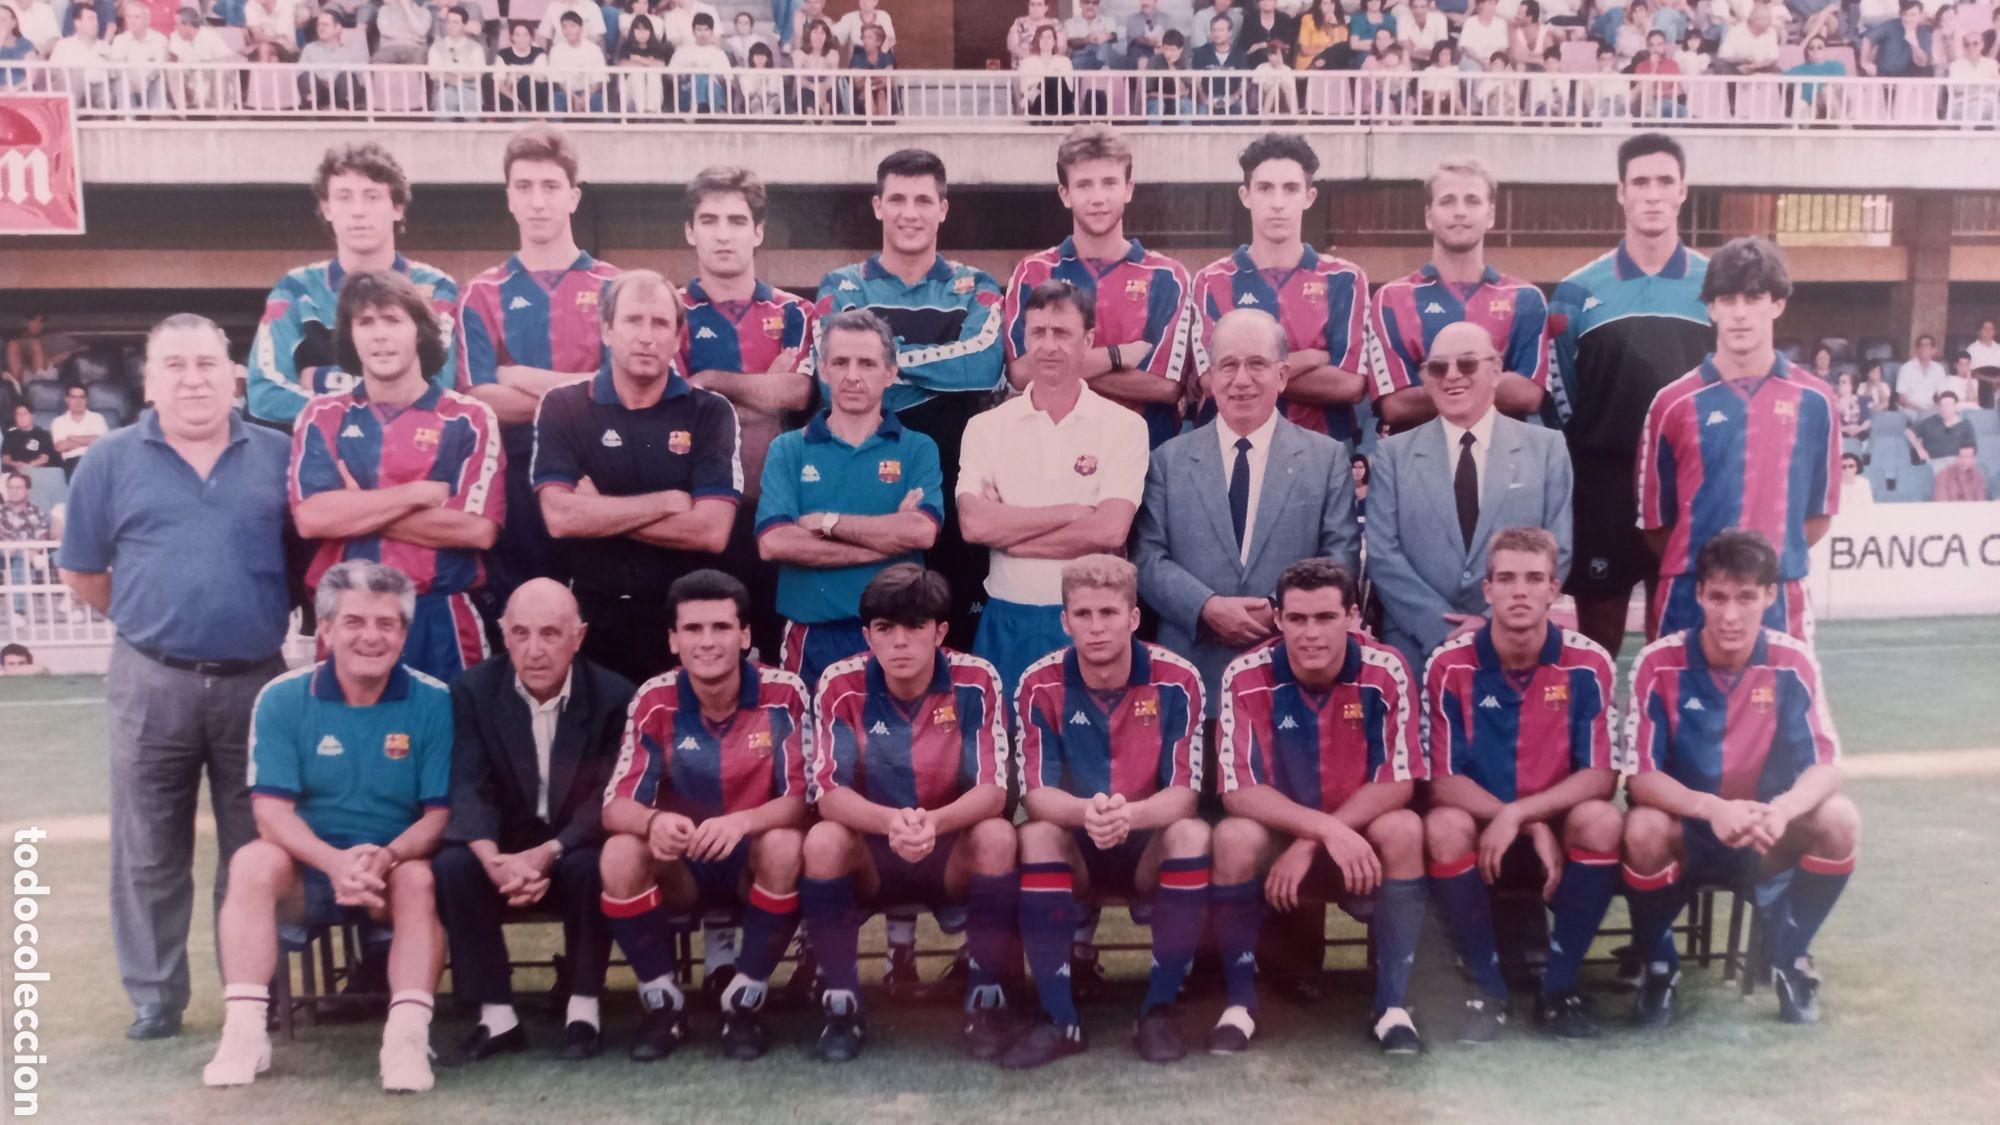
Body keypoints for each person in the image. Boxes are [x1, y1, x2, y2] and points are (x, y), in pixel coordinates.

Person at [59, 314, 292, 1044]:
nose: (193, 379)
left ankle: (252, 995)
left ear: (234, 376)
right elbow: (83, 572)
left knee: (256, 844)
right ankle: (156, 996)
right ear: (150, 382)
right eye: (175, 366)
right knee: (148, 847)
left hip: (257, 681)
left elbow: (302, 563)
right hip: (149, 679)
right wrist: (153, 625)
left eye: (206, 364)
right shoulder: (109, 460)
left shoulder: (280, 454)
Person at [199, 560, 451, 1092]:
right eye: (354, 621)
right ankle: (245, 1033)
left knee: (420, 878)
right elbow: (270, 813)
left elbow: (439, 815)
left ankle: (405, 1038)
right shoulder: (283, 697)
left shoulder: (435, 700)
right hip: (309, 870)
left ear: (404, 635)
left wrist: (381, 859)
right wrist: (334, 863)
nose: (371, 636)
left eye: (386, 624)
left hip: (390, 870)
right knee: (251, 861)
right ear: (327, 629)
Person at [1621, 529, 1858, 1028]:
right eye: (1720, 597)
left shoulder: (1792, 662)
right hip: (1689, 830)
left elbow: (1825, 764)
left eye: (1747, 598)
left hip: (1762, 834)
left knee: (1839, 819)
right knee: (1640, 827)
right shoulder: (1658, 663)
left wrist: (1783, 810)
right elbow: (1640, 776)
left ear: (1770, 596)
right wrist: (1712, 808)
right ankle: (1659, 964)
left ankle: (1790, 957)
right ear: (1700, 594)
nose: (1731, 615)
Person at [1209, 558, 1428, 1054]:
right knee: (1232, 834)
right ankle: (1239, 1005)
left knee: (1404, 827)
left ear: (1352, 617)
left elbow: (1397, 783)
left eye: (1325, 618)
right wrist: (1319, 833)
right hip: (1282, 839)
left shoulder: (1385, 668)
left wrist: (1318, 838)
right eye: (1298, 619)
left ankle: (1393, 1006)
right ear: (1278, 619)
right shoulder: (1245, 674)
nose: (1311, 633)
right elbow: (1238, 790)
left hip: (1356, 836)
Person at [999, 554, 1209, 1068]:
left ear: (1134, 618)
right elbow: (1036, 794)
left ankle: (1158, 1011)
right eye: (1084, 614)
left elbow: (1184, 793)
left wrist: (1128, 817)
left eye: (1110, 613)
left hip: (1146, 844)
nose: (1097, 627)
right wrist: (1088, 814)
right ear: (1064, 620)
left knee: (1193, 835)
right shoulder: (1037, 682)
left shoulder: (1178, 678)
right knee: (1035, 836)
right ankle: (1058, 1017)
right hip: (1077, 841)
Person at [801, 564, 1017, 1063]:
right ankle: (841, 1005)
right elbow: (829, 793)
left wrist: (933, 824)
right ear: (867, 635)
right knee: (823, 840)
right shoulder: (839, 681)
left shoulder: (977, 678)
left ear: (941, 631)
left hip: (948, 853)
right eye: (885, 628)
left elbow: (993, 788)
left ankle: (985, 1000)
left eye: (915, 626)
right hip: (875, 854)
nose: (900, 642)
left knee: (998, 836)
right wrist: (891, 823)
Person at [596, 569, 812, 1061]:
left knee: (786, 842)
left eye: (720, 627)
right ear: (673, 640)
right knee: (620, 852)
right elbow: (616, 805)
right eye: (693, 629)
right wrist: (653, 823)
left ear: (746, 635)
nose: (707, 642)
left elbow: (802, 799)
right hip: (685, 865)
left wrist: (741, 822)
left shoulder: (785, 693)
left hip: (750, 859)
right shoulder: (655, 698)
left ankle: (745, 1000)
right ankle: (662, 1003)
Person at [1419, 527, 1623, 1040]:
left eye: (1534, 579)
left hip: (1560, 830)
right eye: (1506, 579)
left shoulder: (1589, 661)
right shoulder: (1448, 664)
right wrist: (1517, 820)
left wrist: (1525, 816)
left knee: (1601, 819)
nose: (1520, 591)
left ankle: (1559, 989)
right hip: (1484, 828)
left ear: (1554, 589)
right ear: (1486, 590)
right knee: (1443, 825)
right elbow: (1442, 782)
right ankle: (1485, 990)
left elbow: (1600, 775)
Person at [809, 149, 1006, 648]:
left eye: (923, 199)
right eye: (897, 198)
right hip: (866, 473)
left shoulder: (975, 285)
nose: (910, 212)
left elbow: (981, 367)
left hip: (953, 474)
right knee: (873, 630)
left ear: (943, 208)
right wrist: (938, 363)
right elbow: (833, 377)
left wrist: (882, 361)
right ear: (878, 206)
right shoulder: (842, 285)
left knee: (951, 633)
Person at [432, 579, 632, 1065]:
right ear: (504, 634)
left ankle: (583, 1010)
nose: (534, 650)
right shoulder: (472, 691)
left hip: (572, 845)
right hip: (502, 846)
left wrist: (549, 853)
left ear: (578, 636)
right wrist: (494, 859)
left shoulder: (613, 695)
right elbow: (466, 784)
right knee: (454, 866)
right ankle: (496, 1017)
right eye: (520, 633)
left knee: (593, 865)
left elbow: (607, 795)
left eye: (549, 634)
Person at [1135, 308, 1361, 704]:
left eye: (1257, 364)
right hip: (1190, 676)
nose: (1241, 380)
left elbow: (1340, 557)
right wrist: (1206, 607)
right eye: (1228, 365)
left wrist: (1278, 609)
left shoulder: (1326, 459)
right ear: (1209, 377)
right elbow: (1148, 557)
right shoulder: (1167, 461)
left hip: (1292, 672)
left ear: (1282, 375)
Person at [290, 270, 503, 684]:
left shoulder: (468, 418)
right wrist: (417, 494)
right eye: (365, 323)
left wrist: (356, 506)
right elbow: (312, 519)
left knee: (447, 746)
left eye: (392, 320)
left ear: (419, 332)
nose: (379, 336)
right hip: (347, 617)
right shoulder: (322, 415)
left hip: (439, 617)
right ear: (350, 337)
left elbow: (477, 530)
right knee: (349, 746)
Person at [532, 270, 740, 685]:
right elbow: (561, 519)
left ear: (679, 335)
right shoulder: (562, 406)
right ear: (607, 330)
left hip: (679, 622)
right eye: (633, 320)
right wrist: (666, 502)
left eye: (660, 322)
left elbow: (711, 531)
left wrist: (597, 509)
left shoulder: (711, 411)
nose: (647, 336)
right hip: (591, 615)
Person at [1549, 134, 1712, 658]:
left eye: (1665, 181)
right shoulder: (1576, 291)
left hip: (1690, 491)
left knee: (1681, 654)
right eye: (1640, 182)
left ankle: (1662, 744)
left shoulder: (1717, 284)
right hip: (1603, 493)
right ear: (1621, 192)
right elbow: (1562, 400)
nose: (1653, 194)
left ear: (1683, 191)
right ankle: (1598, 741)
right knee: (1596, 654)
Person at [1639, 237, 1838, 642]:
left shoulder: (1816, 400)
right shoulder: (1672, 404)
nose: (1740, 314)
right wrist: (1713, 575)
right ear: (1711, 308)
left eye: (1754, 298)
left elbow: (1816, 518)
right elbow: (1658, 526)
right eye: (1727, 300)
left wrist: (1759, 572)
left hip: (1778, 596)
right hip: (1689, 597)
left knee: (1782, 708)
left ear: (1778, 304)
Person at [457, 125, 621, 609]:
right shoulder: (481, 292)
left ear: (573, 196)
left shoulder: (616, 286)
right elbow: (479, 401)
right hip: (515, 481)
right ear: (508, 197)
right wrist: (583, 391)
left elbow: (622, 396)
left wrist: (520, 377)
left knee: (598, 620)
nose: (538, 202)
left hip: (599, 474)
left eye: (550, 187)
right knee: (523, 624)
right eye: (524, 188)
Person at [961, 281, 1148, 696]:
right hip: (1006, 618)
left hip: (1089, 626)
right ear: (1024, 337)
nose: (1048, 346)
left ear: (1088, 340)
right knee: (1006, 753)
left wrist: (1010, 538)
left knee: (1088, 755)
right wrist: (1072, 512)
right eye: (1038, 332)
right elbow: (974, 526)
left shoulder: (1125, 426)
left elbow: (1109, 532)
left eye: (1061, 333)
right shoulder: (986, 427)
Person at [1365, 321, 1574, 672]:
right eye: (1438, 367)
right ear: (1425, 377)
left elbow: (1558, 548)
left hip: (1514, 640)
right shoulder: (1392, 455)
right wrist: (1439, 628)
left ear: (1495, 371)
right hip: (1416, 643)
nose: (1452, 376)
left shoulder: (1546, 448)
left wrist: (1493, 621)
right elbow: (1383, 554)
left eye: (1466, 364)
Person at [757, 309, 942, 697]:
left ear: (890, 372)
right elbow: (776, 542)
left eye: (867, 363)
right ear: (822, 369)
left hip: (896, 635)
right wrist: (889, 544)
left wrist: (825, 522)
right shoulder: (788, 449)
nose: (853, 375)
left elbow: (921, 533)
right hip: (812, 634)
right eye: (840, 362)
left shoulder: (918, 447)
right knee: (815, 751)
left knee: (892, 752)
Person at [680, 166, 815, 655]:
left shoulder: (796, 312)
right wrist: (763, 389)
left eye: (737, 221)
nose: (723, 234)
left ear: (757, 232)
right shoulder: (670, 311)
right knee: (708, 655)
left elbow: (798, 394)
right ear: (690, 231)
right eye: (710, 220)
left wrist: (712, 382)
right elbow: (676, 408)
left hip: (777, 509)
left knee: (777, 658)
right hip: (697, 513)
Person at [1006, 125, 1193, 450]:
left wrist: (1055, 368)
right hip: (1051, 458)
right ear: (1065, 194)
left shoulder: (1169, 276)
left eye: (1109, 183)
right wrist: (1117, 355)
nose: (1098, 198)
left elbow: (1165, 387)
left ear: (1128, 189)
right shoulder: (1032, 272)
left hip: (1143, 464)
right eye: (1084, 185)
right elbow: (1022, 374)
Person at [249, 143, 459, 429]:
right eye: (344, 197)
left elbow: (438, 388)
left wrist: (321, 379)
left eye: (372, 196)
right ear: (327, 209)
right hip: (320, 461)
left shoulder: (436, 287)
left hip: (412, 454)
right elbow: (264, 394)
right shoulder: (295, 290)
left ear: (397, 208)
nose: (358, 211)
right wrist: (373, 401)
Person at [1192, 134, 1370, 445]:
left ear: (1309, 196)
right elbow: (1209, 380)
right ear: (1245, 196)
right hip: (1234, 454)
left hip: (1320, 455)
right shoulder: (1212, 280)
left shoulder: (1345, 279)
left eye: (1290, 189)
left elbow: (1350, 385)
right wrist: (1313, 358)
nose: (1278, 203)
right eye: (1265, 188)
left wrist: (1245, 371)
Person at [1367, 157, 1550, 432]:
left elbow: (1528, 395)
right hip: (1419, 465)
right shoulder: (1392, 298)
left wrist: (1430, 379)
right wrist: (1491, 379)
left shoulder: (1526, 298)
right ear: (1429, 216)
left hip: (1503, 463)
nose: (1460, 211)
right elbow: (1395, 405)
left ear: (1490, 215)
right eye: (1447, 201)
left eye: (1472, 201)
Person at [298, 11, 366, 109]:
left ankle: (345, 111)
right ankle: (312, 111)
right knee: (306, 77)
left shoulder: (349, 50)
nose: (320, 28)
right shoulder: (309, 49)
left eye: (325, 25)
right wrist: (325, 81)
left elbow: (358, 76)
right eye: (318, 25)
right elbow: (300, 72)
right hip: (318, 91)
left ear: (337, 28)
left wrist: (332, 81)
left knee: (346, 76)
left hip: (341, 92)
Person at [666, 11, 731, 114]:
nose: (702, 34)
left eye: (706, 30)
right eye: (699, 29)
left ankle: (701, 109)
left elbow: (727, 79)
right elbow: (670, 75)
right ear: (693, 31)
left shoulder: (719, 54)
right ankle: (700, 108)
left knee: (705, 78)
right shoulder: (682, 51)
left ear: (711, 32)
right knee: (699, 76)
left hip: (714, 91)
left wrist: (711, 75)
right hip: (688, 90)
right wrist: (686, 74)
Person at [428, 5, 486, 121]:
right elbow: (434, 74)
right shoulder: (437, 47)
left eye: (456, 22)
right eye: (448, 22)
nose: (451, 26)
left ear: (464, 25)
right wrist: (463, 74)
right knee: (444, 100)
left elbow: (478, 73)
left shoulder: (475, 47)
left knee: (473, 107)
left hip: (470, 90)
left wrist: (448, 71)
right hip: (445, 89)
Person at [546, 10, 609, 113]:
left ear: (581, 28)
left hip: (589, 92)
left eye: (572, 26)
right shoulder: (556, 51)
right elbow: (559, 81)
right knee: (556, 100)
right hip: (566, 92)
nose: (568, 30)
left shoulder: (593, 49)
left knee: (600, 101)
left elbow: (599, 79)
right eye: (564, 27)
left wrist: (586, 96)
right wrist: (574, 98)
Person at [48, 383, 106, 479]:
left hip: (95, 460)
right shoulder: (58, 421)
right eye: (74, 397)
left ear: (86, 400)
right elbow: (61, 446)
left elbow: (101, 442)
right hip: (72, 463)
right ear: (67, 400)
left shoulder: (97, 418)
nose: (78, 401)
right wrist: (89, 441)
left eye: (82, 397)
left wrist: (73, 438)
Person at [1862, 0, 1932, 76]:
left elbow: (1922, 63)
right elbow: (1867, 38)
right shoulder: (1892, 25)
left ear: (1920, 15)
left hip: (1909, 80)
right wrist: (1864, 63)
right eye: (1905, 15)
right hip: (1885, 77)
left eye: (1913, 15)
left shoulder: (1924, 32)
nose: (1908, 19)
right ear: (1900, 15)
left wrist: (1914, 44)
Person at [1907, 388, 1975, 464]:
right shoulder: (1930, 422)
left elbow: (1971, 448)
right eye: (1941, 405)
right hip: (1933, 462)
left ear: (1955, 406)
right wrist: (1919, 449)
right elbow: (1909, 432)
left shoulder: (1965, 424)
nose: (1944, 409)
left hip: (1956, 464)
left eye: (1947, 405)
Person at [1020, 23, 1076, 115]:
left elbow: (1069, 86)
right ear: (1037, 40)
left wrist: (1044, 83)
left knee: (1054, 80)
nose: (1045, 41)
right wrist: (1042, 84)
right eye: (1042, 37)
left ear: (1054, 42)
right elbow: (1025, 88)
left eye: (1049, 37)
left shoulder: (1064, 61)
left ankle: (1052, 118)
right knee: (1050, 81)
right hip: (1036, 103)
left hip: (1060, 102)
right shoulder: (1028, 61)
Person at [495, 22, 548, 112]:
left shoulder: (538, 52)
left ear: (531, 37)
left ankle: (536, 116)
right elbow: (500, 84)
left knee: (527, 81)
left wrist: (514, 74)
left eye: (525, 35)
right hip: (510, 94)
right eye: (517, 35)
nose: (521, 39)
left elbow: (541, 77)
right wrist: (515, 100)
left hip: (534, 92)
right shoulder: (503, 54)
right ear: (512, 37)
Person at [1894, 333, 1947, 411]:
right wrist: (1917, 409)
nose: (1924, 349)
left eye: (1928, 346)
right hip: (1910, 409)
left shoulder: (1939, 369)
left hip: (1932, 409)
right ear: (1916, 349)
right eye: (1922, 346)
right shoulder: (1906, 368)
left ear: (1934, 350)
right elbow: (1901, 397)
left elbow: (1942, 393)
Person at [1007, 0, 1062, 67]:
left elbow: (1062, 47)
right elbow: (1012, 46)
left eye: (1039, 4)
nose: (1035, 7)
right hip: (1023, 67)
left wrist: (1048, 61)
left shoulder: (1055, 24)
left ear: (1046, 8)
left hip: (1049, 67)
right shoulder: (1019, 22)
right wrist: (1033, 60)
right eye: (1032, 4)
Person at [2, 403, 53, 472]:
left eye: (25, 413)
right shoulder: (9, 435)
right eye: (18, 414)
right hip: (14, 472)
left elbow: (44, 458)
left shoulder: (43, 435)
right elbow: (5, 458)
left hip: (36, 470)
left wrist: (28, 466)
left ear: (32, 416)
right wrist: (15, 464)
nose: (21, 417)